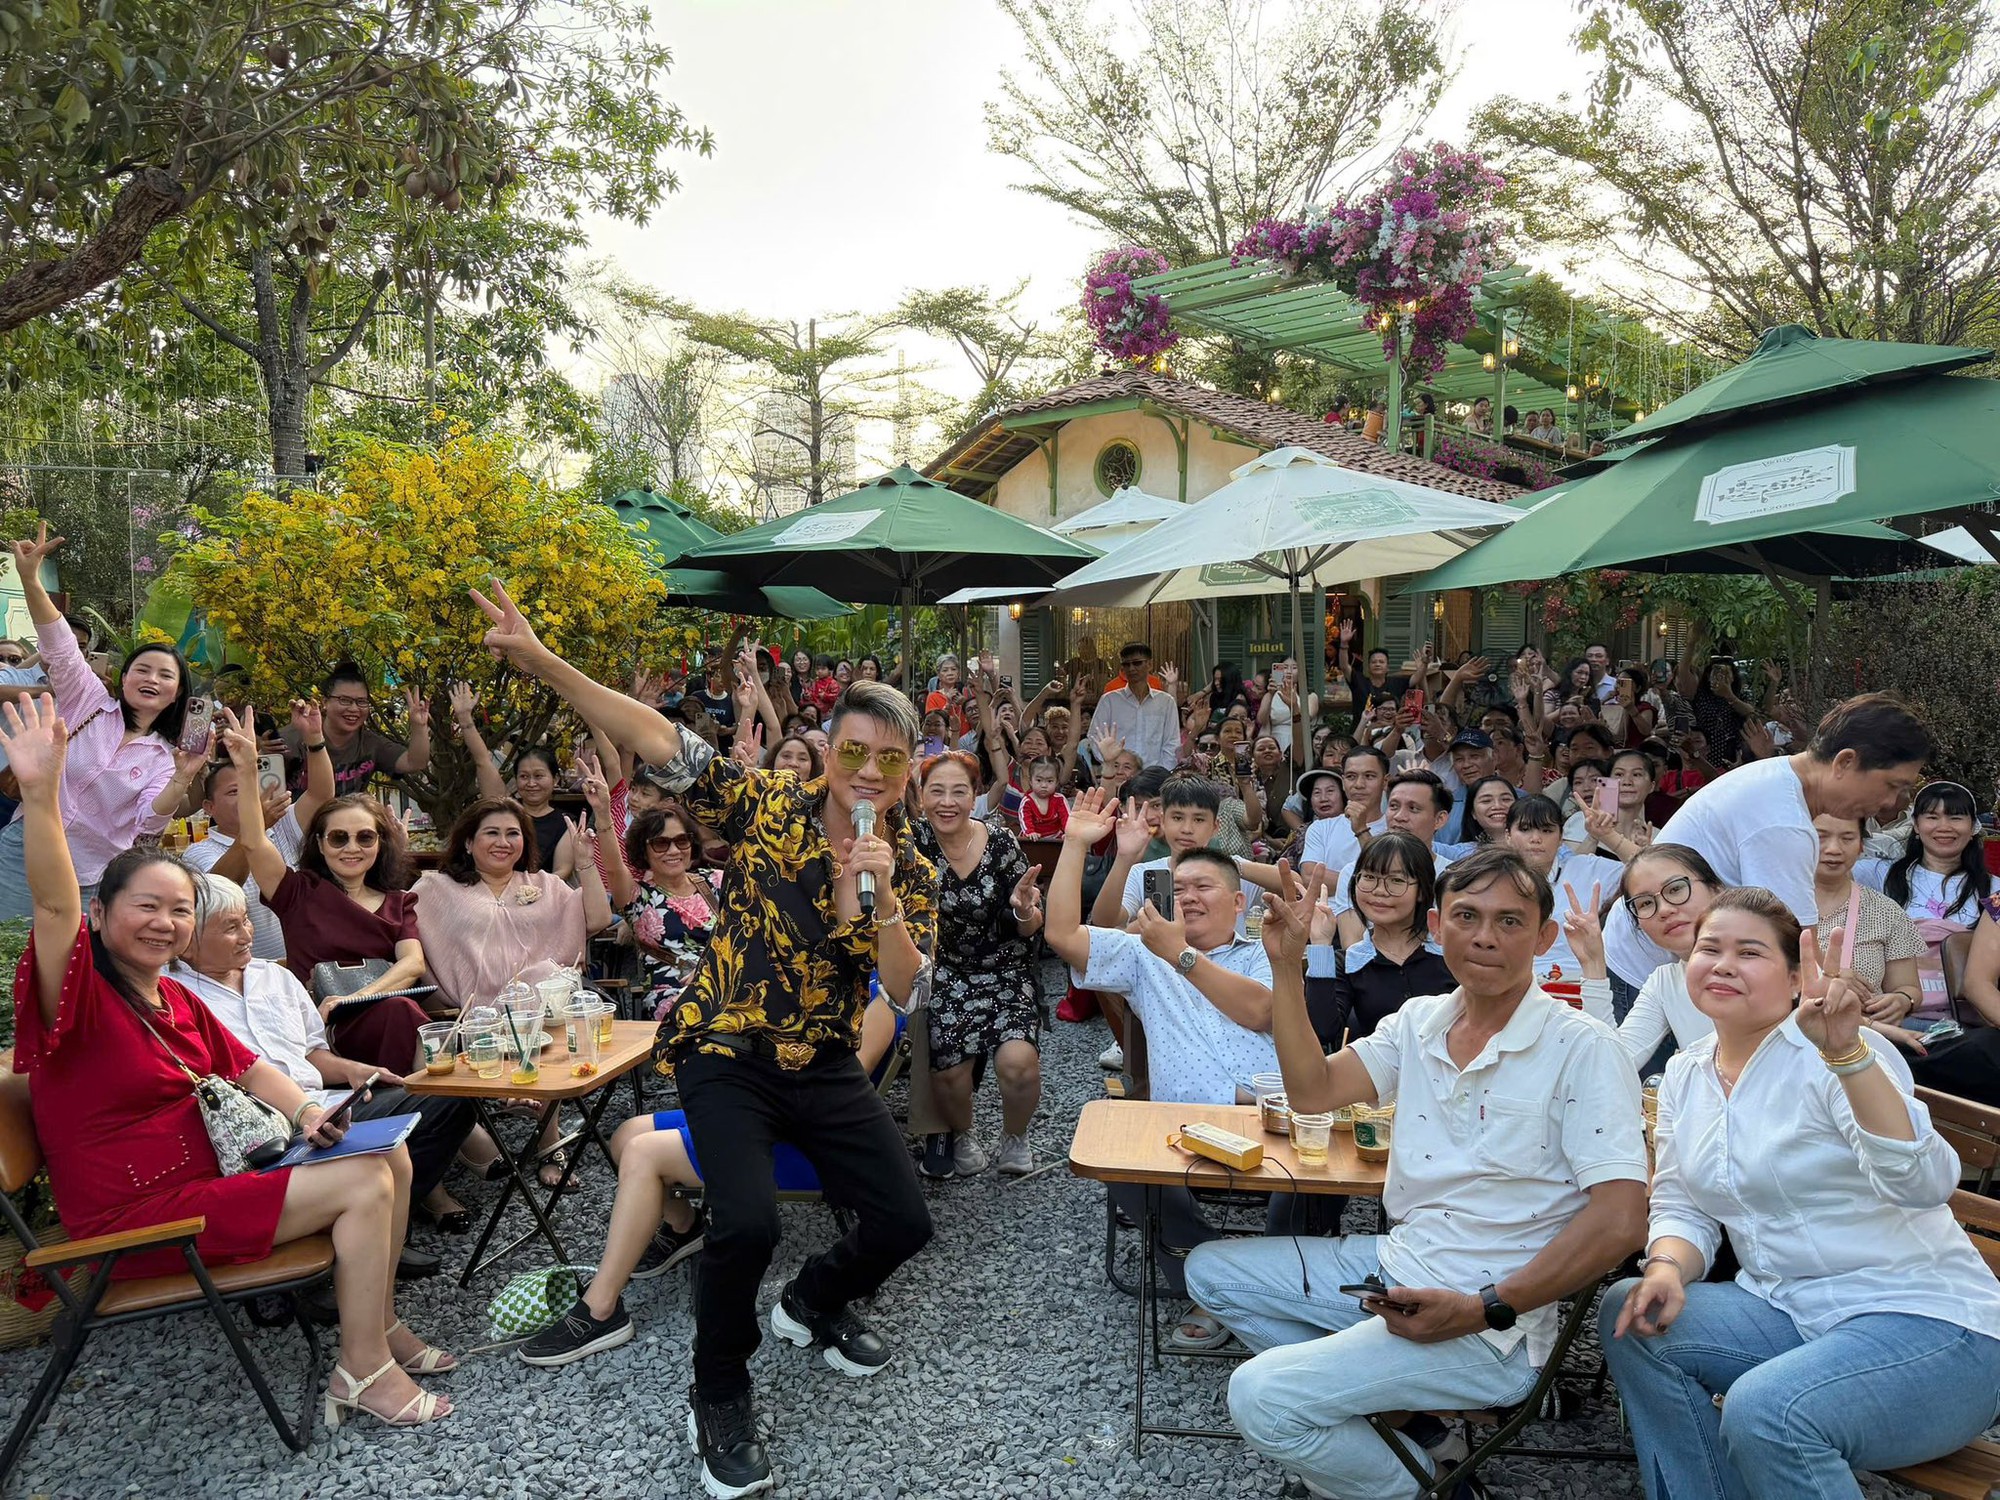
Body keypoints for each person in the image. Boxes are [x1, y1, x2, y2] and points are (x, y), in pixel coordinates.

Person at [471, 579, 935, 1500]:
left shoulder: (909, 863)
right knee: (750, 1222)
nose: (869, 771)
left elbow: (904, 983)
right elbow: (653, 736)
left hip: (824, 1059)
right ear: (832, 753)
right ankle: (719, 1391)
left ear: (909, 768)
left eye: (891, 758)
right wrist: (542, 660)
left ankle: (813, 1302)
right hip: (726, 1049)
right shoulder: (767, 808)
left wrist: (874, 896)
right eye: (854, 750)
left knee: (904, 1221)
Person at [2, 693, 454, 1427]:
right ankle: (363, 1369)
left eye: (180, 910)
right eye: (145, 907)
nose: (166, 922)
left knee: (391, 1157)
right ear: (103, 915)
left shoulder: (178, 1002)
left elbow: (250, 1070)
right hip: (137, 1221)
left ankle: (380, 1326)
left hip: (216, 1179)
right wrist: (41, 792)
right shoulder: (80, 998)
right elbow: (53, 908)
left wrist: (308, 1111)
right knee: (365, 1183)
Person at [1186, 850, 1648, 1499]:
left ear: (1545, 937)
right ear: (1437, 925)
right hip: (1400, 1266)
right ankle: (1410, 1436)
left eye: (1511, 920)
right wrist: (1287, 965)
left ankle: (1410, 1484)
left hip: (1494, 1329)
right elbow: (1313, 1091)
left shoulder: (1584, 1047)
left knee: (1260, 1396)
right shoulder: (1421, 1022)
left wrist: (1482, 1308)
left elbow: (1623, 1218)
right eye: (1468, 915)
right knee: (1209, 1271)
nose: (1486, 935)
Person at [1602, 888, 2000, 1500]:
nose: (1724, 964)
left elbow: (1925, 1186)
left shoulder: (1839, 1054)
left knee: (1767, 1412)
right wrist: (1667, 1268)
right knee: (1633, 1310)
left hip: (1932, 1328)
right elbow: (1683, 1201)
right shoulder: (1686, 1072)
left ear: (1795, 979)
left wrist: (1847, 1055)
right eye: (1710, 948)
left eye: (1750, 952)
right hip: (1788, 1311)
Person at [1045, 791, 1278, 1322]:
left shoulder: (1266, 949)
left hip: (1267, 1116)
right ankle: (1208, 1274)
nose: (1189, 896)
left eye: (1204, 887)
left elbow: (1261, 1011)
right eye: (1180, 887)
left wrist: (1183, 956)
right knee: (1116, 1155)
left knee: (1311, 1181)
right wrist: (1076, 845)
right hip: (1183, 1127)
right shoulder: (1143, 957)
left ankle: (1270, 1277)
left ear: (1239, 902)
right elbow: (1061, 934)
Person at [172, 872, 481, 1270]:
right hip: (261, 1130)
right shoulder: (175, 995)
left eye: (247, 919)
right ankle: (352, 1240)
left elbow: (311, 1053)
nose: (248, 933)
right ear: (189, 941)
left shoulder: (275, 977)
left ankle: (376, 1228)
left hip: (322, 1104)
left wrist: (354, 1069)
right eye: (231, 927)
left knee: (448, 1101)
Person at [1604, 694, 1933, 987]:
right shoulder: (1783, 822)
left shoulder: (1778, 780)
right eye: (1892, 785)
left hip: (1667, 966)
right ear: (1845, 762)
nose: (1892, 802)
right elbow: (1792, 951)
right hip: (1646, 975)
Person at [0, 526, 203, 920]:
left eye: (165, 676)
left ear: (177, 693)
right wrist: (30, 578)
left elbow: (149, 819)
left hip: (89, 875)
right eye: (141, 670)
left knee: (63, 966)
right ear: (123, 678)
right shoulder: (87, 700)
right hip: (25, 850)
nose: (151, 679)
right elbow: (58, 643)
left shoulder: (164, 756)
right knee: (6, 954)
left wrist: (182, 777)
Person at [232, 713, 435, 1076]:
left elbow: (413, 964)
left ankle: (434, 1102)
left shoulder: (398, 901)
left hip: (380, 1013)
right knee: (402, 1013)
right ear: (321, 845)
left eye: (365, 837)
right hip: (323, 1029)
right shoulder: (297, 892)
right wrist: (248, 770)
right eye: (339, 838)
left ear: (379, 844)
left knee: (403, 1012)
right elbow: (253, 842)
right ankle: (428, 1098)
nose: (351, 848)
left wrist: (354, 999)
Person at [912, 751, 1045, 1179]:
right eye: (936, 791)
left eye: (959, 791)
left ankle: (1015, 1136)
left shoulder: (1001, 841)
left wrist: (1025, 911)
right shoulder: (912, 842)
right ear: (921, 796)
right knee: (949, 1072)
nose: (947, 801)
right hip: (947, 969)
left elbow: (1027, 924)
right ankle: (963, 1134)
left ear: (975, 798)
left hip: (1006, 966)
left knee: (1017, 1061)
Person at [186, 699, 335, 961]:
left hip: (305, 964)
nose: (247, 796)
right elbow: (220, 889)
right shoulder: (198, 852)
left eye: (251, 786)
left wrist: (314, 738)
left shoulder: (281, 825)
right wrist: (258, 826)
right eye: (235, 791)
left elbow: (321, 794)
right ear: (209, 807)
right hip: (251, 972)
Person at [1866, 780, 1992, 1031]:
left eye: (1956, 817)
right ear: (1915, 824)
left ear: (1973, 827)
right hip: (1892, 1016)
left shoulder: (1994, 890)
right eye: (1932, 817)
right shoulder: (1877, 875)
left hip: (1970, 1021)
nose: (1944, 827)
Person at [1304, 833, 1450, 1048]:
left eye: (1397, 880)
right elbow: (1323, 1031)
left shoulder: (1449, 950)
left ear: (1422, 890)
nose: (1379, 891)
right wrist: (1320, 944)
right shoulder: (1350, 962)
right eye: (1369, 877)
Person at [1604, 846, 1724, 1065]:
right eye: (1646, 903)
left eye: (1675, 889)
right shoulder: (1664, 982)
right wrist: (1594, 969)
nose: (1664, 909)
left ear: (1716, 889)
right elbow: (1612, 1064)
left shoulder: (1768, 961)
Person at [1329, 770, 1457, 947]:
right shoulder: (1353, 873)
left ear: (1439, 819)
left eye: (1413, 809)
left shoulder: (1454, 878)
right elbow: (1352, 948)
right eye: (1394, 806)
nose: (1399, 817)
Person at [280, 661, 431, 799]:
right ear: (325, 702)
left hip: (348, 825)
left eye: (361, 702)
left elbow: (415, 762)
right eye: (344, 700)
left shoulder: (370, 744)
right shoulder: (293, 737)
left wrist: (419, 726)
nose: (354, 709)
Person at [1092, 642, 1182, 770]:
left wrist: (1161, 773)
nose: (1131, 668)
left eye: (1137, 663)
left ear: (1149, 664)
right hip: (1117, 775)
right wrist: (1113, 765)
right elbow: (1095, 738)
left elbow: (1172, 743)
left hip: (1154, 777)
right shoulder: (1109, 701)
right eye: (1126, 664)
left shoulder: (1166, 702)